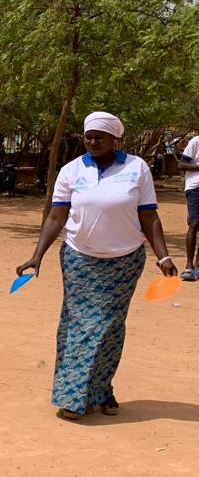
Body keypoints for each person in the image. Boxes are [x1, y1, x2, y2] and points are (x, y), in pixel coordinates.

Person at [16, 112, 177, 420]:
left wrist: (164, 256)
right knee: (79, 325)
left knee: (109, 327)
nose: (92, 142)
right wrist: (38, 255)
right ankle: (73, 398)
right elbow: (55, 217)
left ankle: (102, 390)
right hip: (79, 259)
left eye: (99, 137)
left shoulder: (136, 168)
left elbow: (149, 216)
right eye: (88, 137)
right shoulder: (71, 170)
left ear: (115, 139)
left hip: (125, 261)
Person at [175, 134, 199, 281]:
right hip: (195, 188)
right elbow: (181, 164)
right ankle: (189, 267)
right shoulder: (196, 141)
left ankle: (198, 265)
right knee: (195, 224)